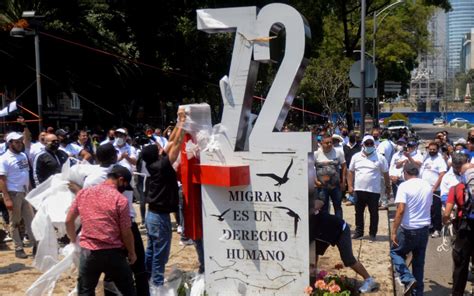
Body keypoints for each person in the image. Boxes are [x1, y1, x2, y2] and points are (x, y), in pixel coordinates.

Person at [65, 165, 136, 296]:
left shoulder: (84, 193)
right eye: (125, 185)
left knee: (86, 291)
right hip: (113, 253)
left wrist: (73, 240)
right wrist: (132, 252)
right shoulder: (120, 200)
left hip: (89, 252)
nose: (124, 189)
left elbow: (69, 220)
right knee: (128, 290)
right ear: (120, 180)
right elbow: (125, 231)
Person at [143, 108, 187, 287]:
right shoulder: (162, 166)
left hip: (151, 215)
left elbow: (170, 142)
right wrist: (184, 123)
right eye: (158, 147)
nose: (161, 146)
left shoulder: (155, 163)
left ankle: (145, 280)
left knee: (151, 251)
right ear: (157, 154)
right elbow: (176, 144)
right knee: (160, 253)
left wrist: (179, 121)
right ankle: (157, 285)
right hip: (160, 218)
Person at [310, 200, 377, 293]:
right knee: (314, 254)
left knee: (348, 259)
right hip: (325, 234)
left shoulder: (307, 208)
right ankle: (314, 277)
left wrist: (310, 208)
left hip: (341, 229)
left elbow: (320, 202)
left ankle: (369, 280)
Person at [391, 163, 432, 296]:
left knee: (395, 253)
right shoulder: (427, 185)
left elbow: (400, 210)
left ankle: (407, 278)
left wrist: (393, 231)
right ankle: (417, 293)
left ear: (405, 173)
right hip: (424, 228)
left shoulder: (404, 186)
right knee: (419, 263)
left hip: (409, 229)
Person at [348, 135, 390, 241]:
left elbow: (385, 173)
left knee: (374, 213)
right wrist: (350, 185)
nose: (370, 145)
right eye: (367, 143)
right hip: (359, 190)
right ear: (363, 144)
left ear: (374, 144)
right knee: (358, 212)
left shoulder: (380, 157)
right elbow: (351, 172)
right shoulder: (356, 157)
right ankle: (359, 232)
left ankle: (372, 233)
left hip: (374, 191)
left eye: (371, 143)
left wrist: (388, 187)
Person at [0, 132, 35, 258]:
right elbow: (2, 180)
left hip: (25, 192)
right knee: (14, 222)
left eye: (20, 141)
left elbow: (26, 174)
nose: (19, 144)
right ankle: (18, 247)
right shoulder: (4, 159)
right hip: (13, 193)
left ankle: (35, 245)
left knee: (31, 220)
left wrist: (31, 191)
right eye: (16, 142)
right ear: (10, 144)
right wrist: (7, 198)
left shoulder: (23, 156)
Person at [442, 167, 474, 296]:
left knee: (461, 263)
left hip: (464, 229)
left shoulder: (456, 188)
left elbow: (447, 212)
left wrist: (446, 221)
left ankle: (457, 293)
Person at [314, 134, 346, 218]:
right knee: (323, 208)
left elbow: (344, 166)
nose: (329, 144)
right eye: (326, 143)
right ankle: (325, 228)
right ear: (321, 143)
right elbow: (310, 168)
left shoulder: (339, 152)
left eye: (330, 142)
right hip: (322, 187)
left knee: (338, 207)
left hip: (336, 186)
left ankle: (339, 227)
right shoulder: (316, 153)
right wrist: (315, 181)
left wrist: (343, 181)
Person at [420, 142, 447, 238]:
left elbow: (442, 174)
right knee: (427, 209)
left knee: (435, 210)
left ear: (437, 149)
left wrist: (435, 187)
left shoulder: (440, 160)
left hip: (436, 189)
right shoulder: (426, 158)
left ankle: (437, 229)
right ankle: (430, 227)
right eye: (430, 149)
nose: (431, 151)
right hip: (425, 189)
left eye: (434, 149)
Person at [343, 132, 361, 206]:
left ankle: (357, 198)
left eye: (353, 137)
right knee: (350, 184)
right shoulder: (344, 147)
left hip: (356, 168)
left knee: (356, 183)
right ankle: (351, 199)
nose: (352, 138)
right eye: (351, 137)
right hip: (347, 168)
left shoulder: (359, 147)